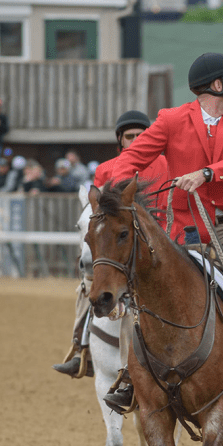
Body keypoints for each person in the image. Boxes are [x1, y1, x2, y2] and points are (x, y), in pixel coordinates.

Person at [105, 52, 223, 408]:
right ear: (217, 85)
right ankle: (129, 374)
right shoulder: (170, 120)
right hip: (182, 229)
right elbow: (131, 158)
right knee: (141, 285)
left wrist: (207, 173)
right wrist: (117, 187)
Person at [53, 110, 171, 381]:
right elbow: (100, 215)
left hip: (161, 242)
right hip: (121, 246)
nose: (136, 139)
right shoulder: (106, 169)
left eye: (142, 135)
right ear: (121, 140)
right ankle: (81, 348)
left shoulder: (166, 164)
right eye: (130, 136)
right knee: (87, 282)